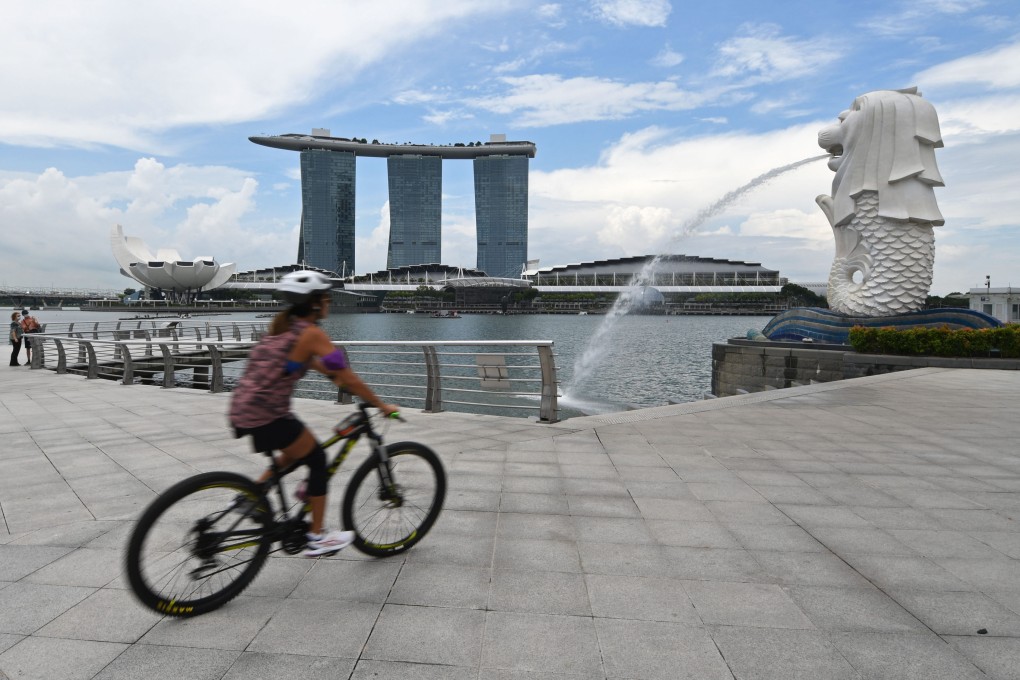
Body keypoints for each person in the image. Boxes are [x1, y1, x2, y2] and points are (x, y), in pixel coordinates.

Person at [228, 270, 400, 557]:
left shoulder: (283, 329)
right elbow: (346, 374)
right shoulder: (311, 333)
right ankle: (316, 536)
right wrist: (382, 405)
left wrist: (337, 380)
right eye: (327, 298)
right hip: (267, 416)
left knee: (295, 452)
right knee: (318, 459)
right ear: (316, 303)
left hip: (242, 410)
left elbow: (317, 368)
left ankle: (250, 497)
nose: (330, 303)